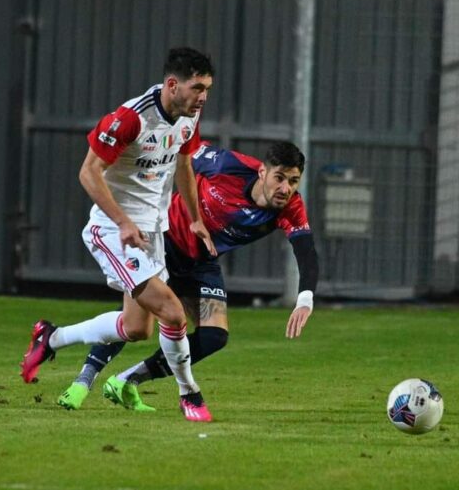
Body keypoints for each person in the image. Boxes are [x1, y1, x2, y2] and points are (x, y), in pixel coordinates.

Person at [20, 47, 217, 422]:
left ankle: (51, 337)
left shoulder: (189, 117)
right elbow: (88, 172)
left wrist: (194, 219)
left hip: (151, 231)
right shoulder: (130, 119)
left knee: (135, 328)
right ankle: (190, 394)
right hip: (113, 230)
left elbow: (185, 164)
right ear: (172, 85)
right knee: (173, 314)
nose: (203, 96)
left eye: (207, 88)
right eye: (197, 88)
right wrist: (124, 222)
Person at [56, 141, 319, 412]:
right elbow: (180, 157)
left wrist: (305, 300)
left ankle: (128, 379)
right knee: (136, 320)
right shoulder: (225, 164)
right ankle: (83, 381)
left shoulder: (291, 208)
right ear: (263, 172)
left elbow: (307, 252)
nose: (285, 188)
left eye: (293, 181)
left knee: (215, 336)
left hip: (202, 262)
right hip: (166, 246)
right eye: (279, 178)